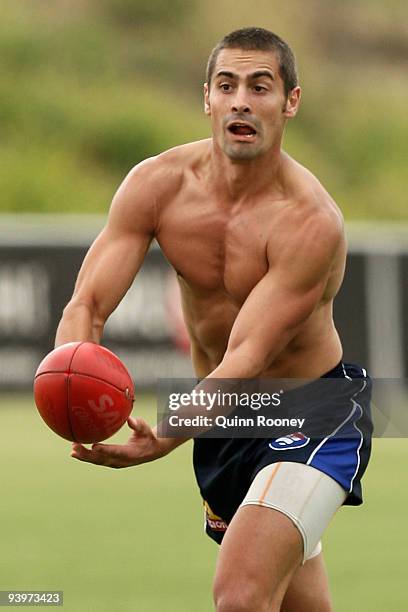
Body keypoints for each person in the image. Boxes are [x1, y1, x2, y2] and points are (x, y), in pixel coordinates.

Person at [55, 27, 372, 612]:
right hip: (226, 425)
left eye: (260, 86)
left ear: (291, 102)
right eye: (226, 86)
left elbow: (247, 360)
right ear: (207, 98)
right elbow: (86, 307)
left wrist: (165, 436)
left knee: (240, 595)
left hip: (311, 410)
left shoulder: (310, 220)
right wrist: (73, 384)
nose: (241, 101)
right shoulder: (156, 185)